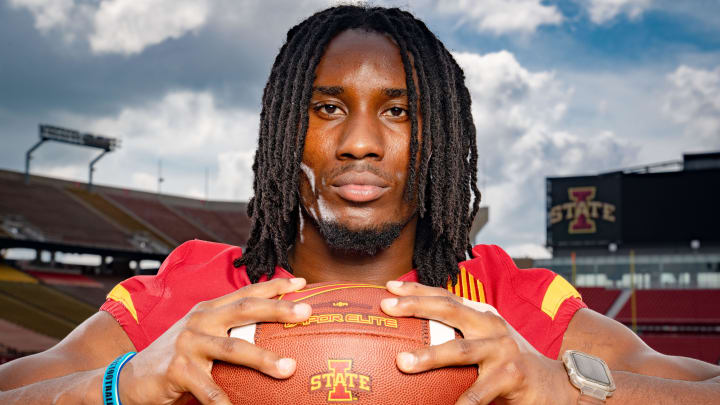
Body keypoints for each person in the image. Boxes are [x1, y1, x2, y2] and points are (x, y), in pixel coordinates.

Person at [1, 5, 719, 405]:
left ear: (440, 137)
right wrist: (125, 381)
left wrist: (560, 387)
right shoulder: (189, 292)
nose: (361, 143)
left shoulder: (505, 296)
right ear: (285, 130)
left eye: (400, 111)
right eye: (327, 107)